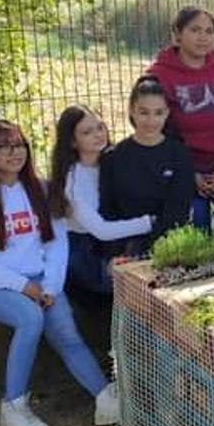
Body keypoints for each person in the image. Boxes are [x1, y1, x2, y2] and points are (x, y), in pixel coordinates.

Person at [0, 121, 118, 426]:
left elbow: (57, 244)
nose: (13, 152)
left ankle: (105, 400)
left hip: (40, 282)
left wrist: (50, 287)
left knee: (66, 331)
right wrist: (22, 287)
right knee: (30, 318)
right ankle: (13, 408)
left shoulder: (40, 190)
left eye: (18, 144)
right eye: (3, 146)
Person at [148, 6, 214, 228]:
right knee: (194, 230)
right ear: (177, 34)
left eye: (209, 31)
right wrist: (190, 173)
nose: (203, 37)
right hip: (182, 171)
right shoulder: (159, 77)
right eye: (195, 30)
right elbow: (159, 132)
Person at [47, 105, 152, 297]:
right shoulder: (73, 180)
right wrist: (150, 222)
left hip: (117, 242)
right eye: (87, 132)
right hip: (87, 252)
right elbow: (101, 231)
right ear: (72, 142)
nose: (98, 135)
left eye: (100, 127)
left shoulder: (115, 162)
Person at [99, 76, 194, 256]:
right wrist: (117, 255)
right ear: (131, 111)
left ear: (167, 113)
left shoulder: (179, 155)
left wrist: (150, 251)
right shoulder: (112, 158)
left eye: (158, 113)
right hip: (124, 248)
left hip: (167, 248)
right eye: (144, 112)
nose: (151, 121)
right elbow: (108, 212)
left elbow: (177, 212)